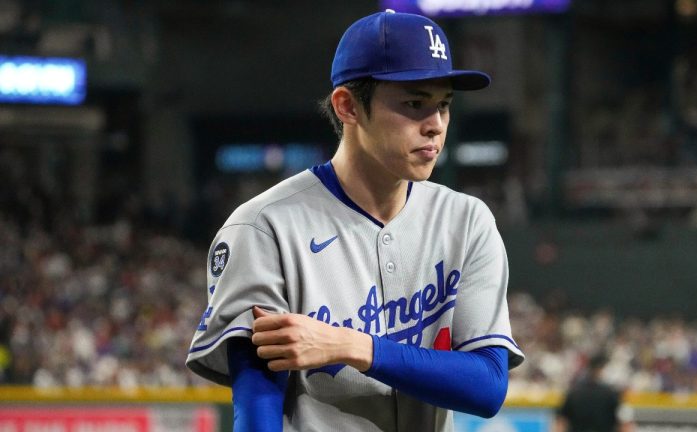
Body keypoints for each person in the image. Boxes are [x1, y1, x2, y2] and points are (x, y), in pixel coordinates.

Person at [186, 9, 525, 431]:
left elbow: (488, 387)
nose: (435, 126)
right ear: (347, 106)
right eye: (415, 104)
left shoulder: (467, 221)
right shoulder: (263, 227)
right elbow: (257, 408)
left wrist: (351, 345)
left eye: (444, 105)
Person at [554, 353, 634, 432]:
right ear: (600, 369)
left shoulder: (574, 393)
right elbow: (624, 422)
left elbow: (560, 422)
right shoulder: (611, 394)